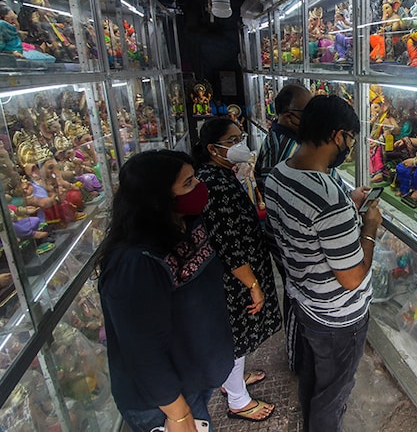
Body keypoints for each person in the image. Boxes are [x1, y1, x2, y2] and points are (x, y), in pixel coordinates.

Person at [264, 95, 382, 432]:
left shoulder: (278, 176)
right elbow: (352, 277)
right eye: (350, 138)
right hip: (339, 318)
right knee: (333, 394)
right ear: (337, 135)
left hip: (305, 301)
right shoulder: (329, 201)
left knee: (314, 377)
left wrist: (348, 202)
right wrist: (369, 227)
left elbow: (304, 228)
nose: (349, 146)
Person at [97, 150, 234, 432]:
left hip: (192, 381)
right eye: (188, 184)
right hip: (164, 404)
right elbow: (143, 351)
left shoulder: (184, 223)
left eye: (194, 178)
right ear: (157, 199)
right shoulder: (135, 264)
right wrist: (178, 415)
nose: (199, 187)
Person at [193, 118, 282, 422]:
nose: (240, 145)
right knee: (235, 339)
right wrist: (253, 284)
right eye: (232, 141)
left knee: (238, 336)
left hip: (238, 274)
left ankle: (233, 380)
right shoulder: (213, 184)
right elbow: (227, 244)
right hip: (234, 279)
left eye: (240, 137)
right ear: (212, 148)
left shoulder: (219, 174)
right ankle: (238, 401)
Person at [254, 82, 312, 372]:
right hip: (287, 240)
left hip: (281, 235)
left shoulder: (278, 136)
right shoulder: (291, 147)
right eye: (308, 110)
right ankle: (298, 357)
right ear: (289, 116)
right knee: (295, 295)